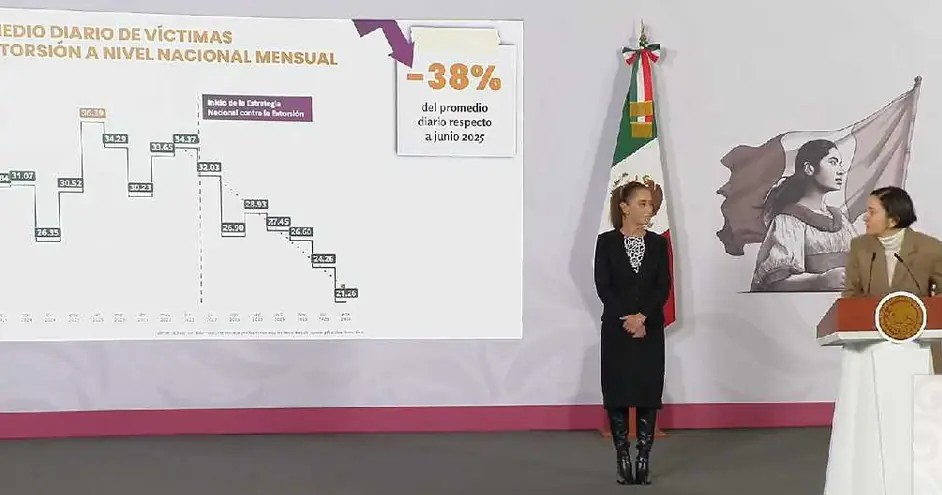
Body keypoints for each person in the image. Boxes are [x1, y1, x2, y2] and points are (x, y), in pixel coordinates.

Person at [593, 181, 671, 485]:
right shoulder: (606, 243)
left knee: (647, 393)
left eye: (650, 204)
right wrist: (627, 319)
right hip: (617, 329)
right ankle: (623, 455)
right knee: (618, 393)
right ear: (624, 208)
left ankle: (643, 458)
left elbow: (662, 287)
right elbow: (604, 286)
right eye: (642, 203)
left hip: (650, 329)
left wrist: (642, 318)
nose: (649, 209)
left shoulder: (658, 244)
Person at [751, 139, 857, 292]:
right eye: (833, 163)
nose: (841, 170)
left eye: (840, 164)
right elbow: (774, 281)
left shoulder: (840, 220)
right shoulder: (788, 220)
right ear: (809, 169)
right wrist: (819, 281)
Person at [843, 186, 942, 298]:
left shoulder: (930, 247)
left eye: (872, 212)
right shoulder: (859, 246)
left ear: (893, 220)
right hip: (871, 310)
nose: (865, 217)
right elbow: (850, 294)